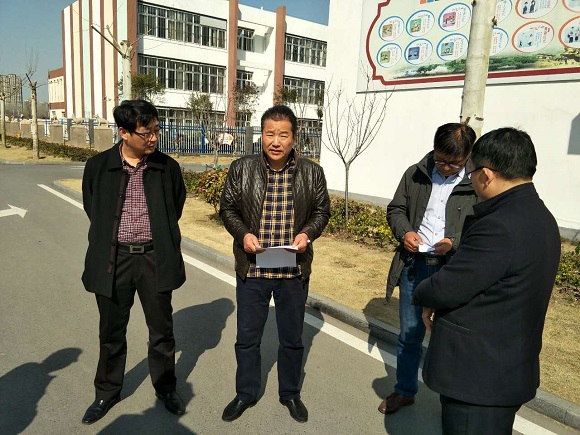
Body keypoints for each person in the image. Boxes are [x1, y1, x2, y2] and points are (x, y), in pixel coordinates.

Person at [413, 127, 560, 434]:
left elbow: (448, 286)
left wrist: (423, 292)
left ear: (486, 175)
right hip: (505, 367)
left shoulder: (499, 225)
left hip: (478, 377)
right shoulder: (541, 216)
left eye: (471, 173)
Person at [219, 105, 330, 423]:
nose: (276, 141)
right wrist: (243, 235)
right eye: (270, 134)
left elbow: (322, 211)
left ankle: (290, 393)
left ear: (294, 137)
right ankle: (245, 393)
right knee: (247, 337)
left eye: (283, 134)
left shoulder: (312, 172)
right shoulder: (242, 168)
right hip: (253, 268)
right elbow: (228, 208)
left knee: (292, 338)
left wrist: (307, 234)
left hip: (293, 270)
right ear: (262, 135)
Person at [81, 99, 187, 424]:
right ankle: (107, 391)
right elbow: (93, 207)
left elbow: (175, 206)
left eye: (156, 130)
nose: (154, 138)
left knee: (162, 330)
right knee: (111, 331)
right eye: (146, 132)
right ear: (124, 132)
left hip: (155, 257)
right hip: (114, 259)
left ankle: (166, 388)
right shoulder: (98, 166)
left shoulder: (167, 167)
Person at [379, 123, 477, 415]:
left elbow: (483, 225)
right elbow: (396, 209)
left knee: (451, 339)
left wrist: (454, 242)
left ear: (467, 157)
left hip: (453, 270)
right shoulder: (415, 174)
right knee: (409, 335)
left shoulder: (476, 182)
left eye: (453, 164)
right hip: (416, 266)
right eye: (441, 160)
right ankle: (404, 390)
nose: (445, 168)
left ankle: (453, 401)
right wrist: (406, 232)